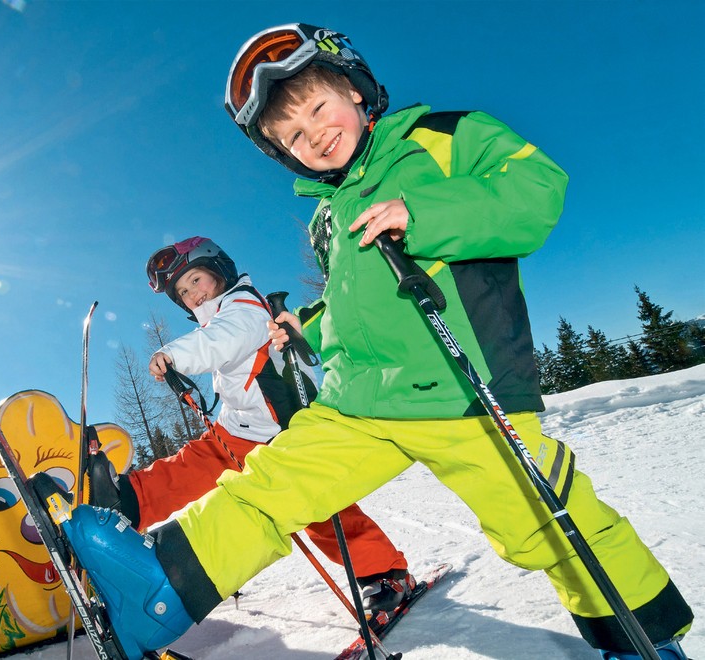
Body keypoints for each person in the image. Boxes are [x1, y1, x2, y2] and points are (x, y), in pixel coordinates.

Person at [43, 23, 694, 660]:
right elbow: (351, 301)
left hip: (462, 393)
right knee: (269, 487)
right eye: (292, 136)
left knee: (542, 524)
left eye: (319, 108)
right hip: (357, 404)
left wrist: (426, 214)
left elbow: (537, 187)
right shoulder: (328, 216)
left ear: (356, 89)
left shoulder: (443, 139)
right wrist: (308, 324)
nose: (314, 135)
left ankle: (644, 636)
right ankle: (162, 594)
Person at [87, 235, 414, 615]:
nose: (192, 293)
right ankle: (125, 499)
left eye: (196, 280)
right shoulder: (218, 316)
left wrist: (173, 354)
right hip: (239, 430)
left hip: (282, 433)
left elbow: (220, 341)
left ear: (219, 271)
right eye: (182, 292)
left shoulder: (244, 306)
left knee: (320, 512)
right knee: (189, 467)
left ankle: (386, 572)